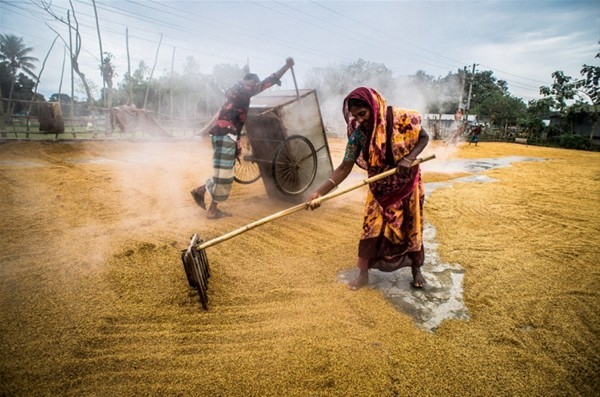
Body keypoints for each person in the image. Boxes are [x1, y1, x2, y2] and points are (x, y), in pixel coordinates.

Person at [306, 87, 430, 290]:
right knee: (370, 227)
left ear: (373, 107)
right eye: (354, 116)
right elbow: (344, 167)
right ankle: (363, 274)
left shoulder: (400, 118)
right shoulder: (358, 135)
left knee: (411, 227)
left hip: (407, 185)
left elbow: (423, 137)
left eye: (362, 114)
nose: (359, 120)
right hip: (379, 188)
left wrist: (409, 159)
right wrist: (320, 192)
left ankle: (416, 269)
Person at [191, 57, 295, 219]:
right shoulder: (246, 90)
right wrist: (287, 67)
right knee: (225, 174)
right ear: (250, 84)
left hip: (218, 135)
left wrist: (204, 131)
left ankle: (201, 190)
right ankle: (212, 210)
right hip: (227, 136)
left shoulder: (232, 92)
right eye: (252, 85)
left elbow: (217, 115)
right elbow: (269, 81)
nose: (253, 88)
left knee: (221, 170)